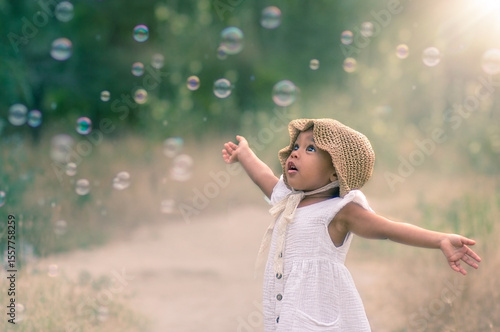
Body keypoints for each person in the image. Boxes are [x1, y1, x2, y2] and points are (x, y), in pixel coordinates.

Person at [221, 118, 481, 332]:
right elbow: (265, 178)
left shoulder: (340, 211)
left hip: (318, 316)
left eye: (310, 149)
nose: (296, 153)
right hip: (287, 314)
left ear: (336, 172)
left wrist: (439, 239)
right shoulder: (289, 200)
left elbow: (388, 229)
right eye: (295, 147)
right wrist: (245, 155)